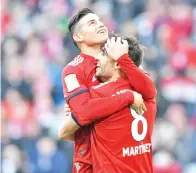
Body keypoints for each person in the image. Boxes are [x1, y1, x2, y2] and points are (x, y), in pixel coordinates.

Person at [59, 8, 156, 173]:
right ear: (78, 36)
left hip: (122, 154)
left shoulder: (118, 54)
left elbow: (148, 89)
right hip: (88, 159)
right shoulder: (73, 70)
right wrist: (127, 96)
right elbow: (81, 113)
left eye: (99, 21)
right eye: (92, 23)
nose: (100, 25)